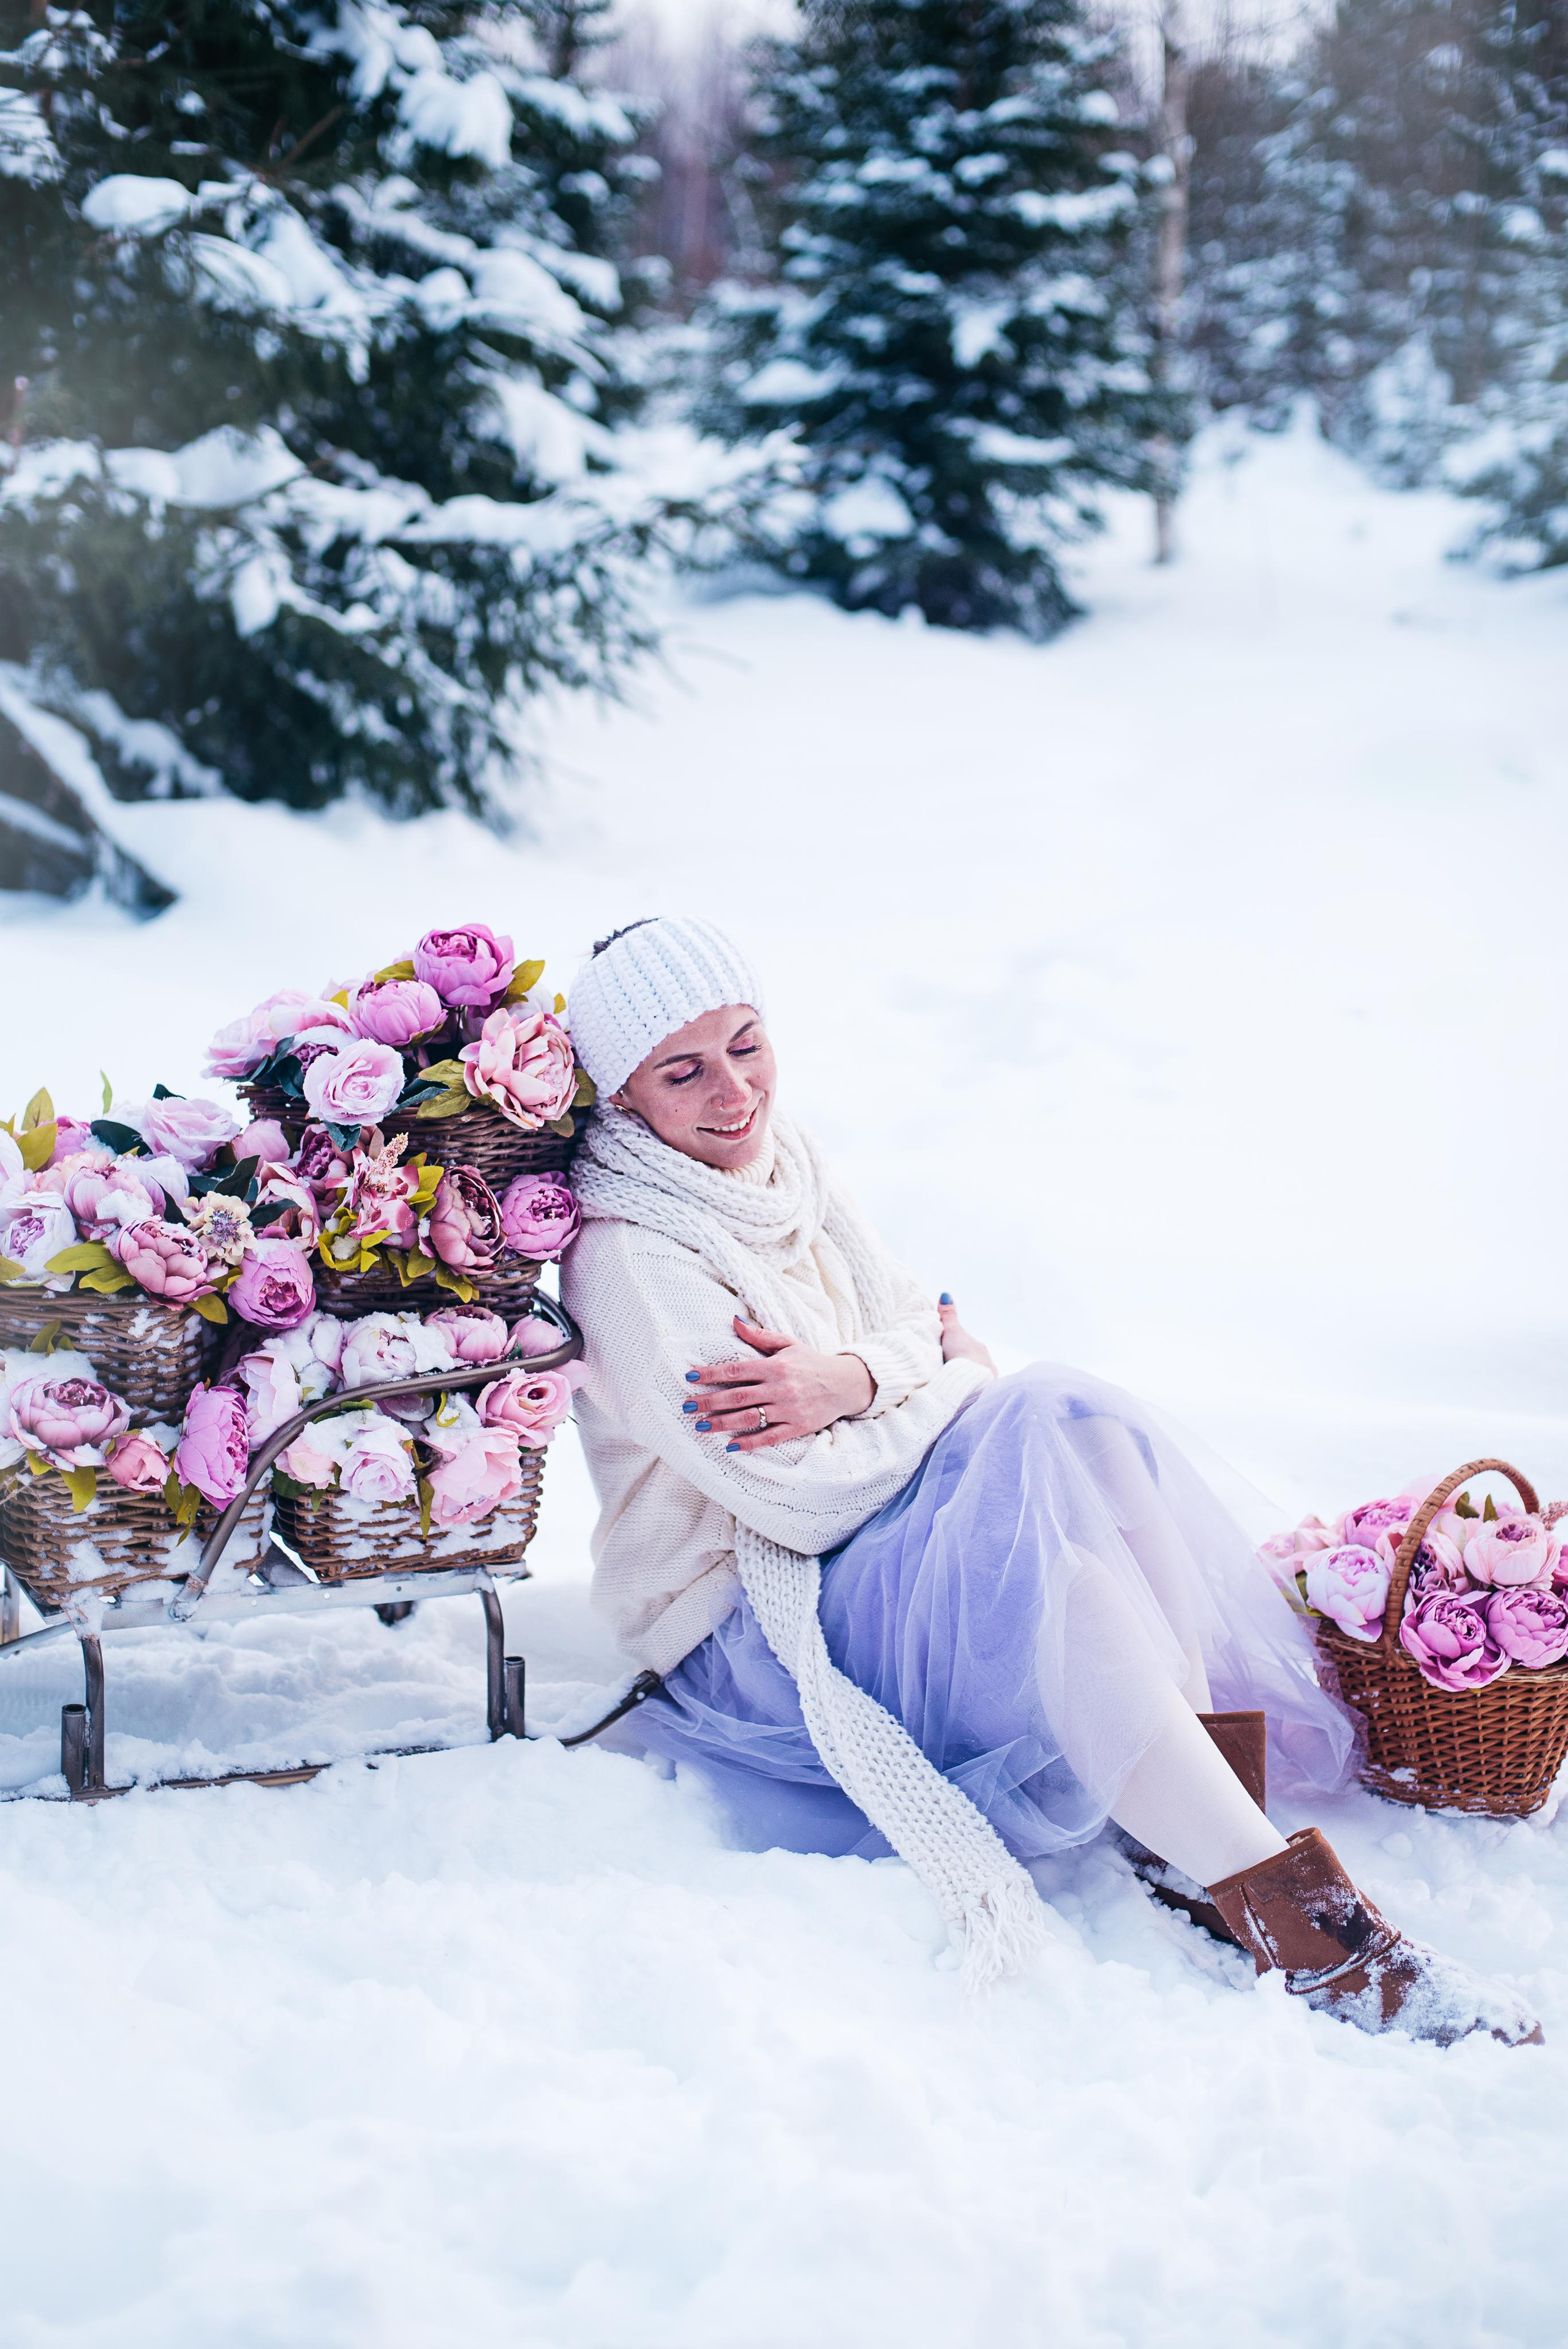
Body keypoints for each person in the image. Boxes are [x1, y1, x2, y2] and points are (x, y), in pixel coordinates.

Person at [561, 916, 1540, 2046]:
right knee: (1031, 1424)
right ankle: (1302, 1924)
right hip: (756, 1625)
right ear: (623, 1097)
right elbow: (806, 1492)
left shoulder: (786, 1162)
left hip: (861, 1547)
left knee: (1072, 1433)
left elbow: (912, 1327)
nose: (734, 1091)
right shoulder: (634, 1256)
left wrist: (852, 1376)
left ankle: (1220, 1839)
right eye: (684, 1072)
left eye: (749, 1045)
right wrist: (945, 1380)